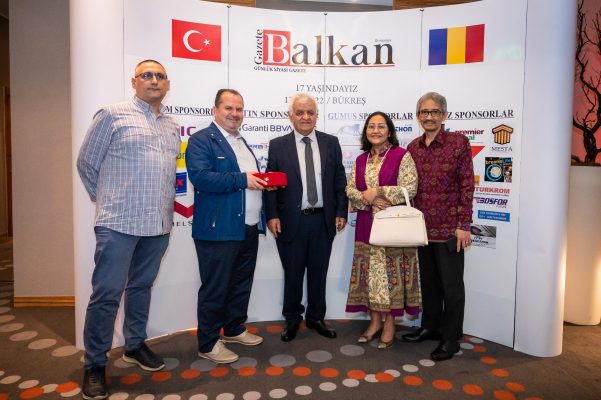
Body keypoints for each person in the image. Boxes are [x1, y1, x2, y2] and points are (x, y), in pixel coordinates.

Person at [77, 59, 180, 399]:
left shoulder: (171, 125)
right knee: (107, 294)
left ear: (167, 84)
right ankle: (94, 363)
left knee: (141, 287)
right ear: (134, 81)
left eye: (160, 76)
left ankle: (135, 345)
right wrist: (109, 199)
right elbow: (86, 163)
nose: (154, 81)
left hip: (158, 223)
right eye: (147, 75)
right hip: (119, 223)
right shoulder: (112, 114)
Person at [186, 89, 268, 364]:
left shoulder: (241, 141)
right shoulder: (201, 140)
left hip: (248, 226)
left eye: (239, 109)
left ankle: (233, 328)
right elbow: (201, 178)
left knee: (240, 282)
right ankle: (208, 342)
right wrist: (243, 179)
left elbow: (248, 180)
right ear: (215, 110)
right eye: (228, 108)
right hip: (218, 229)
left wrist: (260, 183)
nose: (235, 114)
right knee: (216, 287)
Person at [266, 93, 348, 342]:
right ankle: (292, 319)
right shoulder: (278, 145)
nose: (305, 117)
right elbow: (271, 184)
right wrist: (271, 215)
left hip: (323, 220)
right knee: (292, 273)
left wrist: (341, 211)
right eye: (300, 112)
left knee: (318, 273)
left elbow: (339, 180)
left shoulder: (331, 142)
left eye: (310, 112)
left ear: (316, 115)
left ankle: (316, 317)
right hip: (291, 220)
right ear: (290, 116)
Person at [402, 92, 475, 361]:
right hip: (421, 230)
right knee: (429, 285)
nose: (429, 116)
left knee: (451, 288)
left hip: (450, 231)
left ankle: (451, 338)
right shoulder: (413, 147)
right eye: (424, 112)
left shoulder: (458, 143)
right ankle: (430, 327)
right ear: (418, 116)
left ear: (444, 115)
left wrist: (463, 224)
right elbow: (409, 187)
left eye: (434, 112)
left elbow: (467, 185)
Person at [345, 111, 420, 349]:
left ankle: (390, 324)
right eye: (371, 126)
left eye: (381, 126)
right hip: (366, 226)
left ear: (389, 131)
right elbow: (350, 190)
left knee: (391, 276)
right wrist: (367, 198)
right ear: (365, 131)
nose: (375, 130)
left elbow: (410, 188)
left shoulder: (402, 155)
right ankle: (375, 321)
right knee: (370, 276)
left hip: (393, 227)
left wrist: (377, 192)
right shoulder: (360, 160)